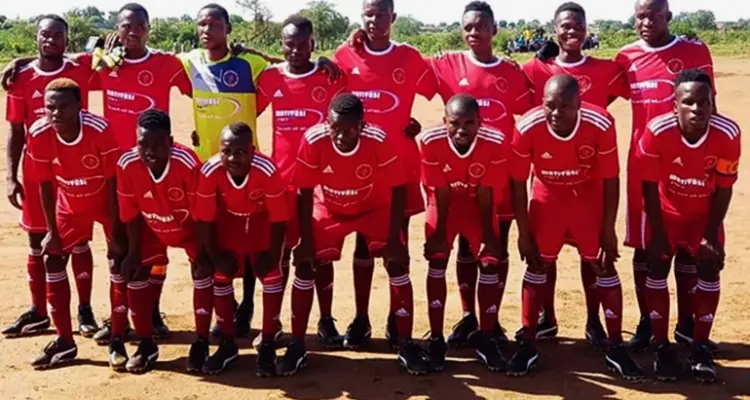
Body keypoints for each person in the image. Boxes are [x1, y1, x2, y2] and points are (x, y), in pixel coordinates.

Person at [506, 75, 643, 381]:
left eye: (565, 106)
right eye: (549, 105)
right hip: (548, 197)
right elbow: (517, 182)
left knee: (602, 265)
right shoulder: (527, 126)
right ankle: (528, 343)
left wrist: (608, 231)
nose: (556, 113)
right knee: (537, 265)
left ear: (579, 104)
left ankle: (615, 345)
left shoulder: (601, 123)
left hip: (587, 196)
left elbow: (611, 179)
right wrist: (524, 233)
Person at [279, 93, 424, 375]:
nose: (341, 136)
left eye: (349, 129)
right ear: (327, 122)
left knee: (397, 263)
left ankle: (406, 343)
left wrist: (394, 239)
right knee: (305, 264)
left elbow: (398, 188)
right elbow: (304, 192)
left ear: (362, 125)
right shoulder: (314, 139)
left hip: (373, 207)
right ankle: (297, 344)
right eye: (335, 128)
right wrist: (306, 242)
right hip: (330, 208)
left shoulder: (378, 139)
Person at [519, 1, 630, 350]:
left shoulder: (605, 69)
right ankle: (546, 317)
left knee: (591, 255)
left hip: (589, 177)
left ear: (586, 28)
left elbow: (641, 88)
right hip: (549, 175)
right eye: (565, 26)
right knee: (544, 254)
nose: (572, 31)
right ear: (555, 29)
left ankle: (594, 321)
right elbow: (503, 92)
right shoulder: (535, 69)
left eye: (578, 25)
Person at [426, 1, 533, 347]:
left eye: (482, 26)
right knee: (464, 247)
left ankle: (492, 318)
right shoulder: (446, 64)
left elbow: (531, 108)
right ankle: (468, 315)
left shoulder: (511, 72)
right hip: (459, 177)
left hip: (499, 175)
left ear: (494, 29)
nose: (475, 32)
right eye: (469, 27)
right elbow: (402, 69)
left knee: (496, 245)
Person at [615, 0, 718, 353]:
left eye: (653, 15)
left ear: (668, 17)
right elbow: (589, 87)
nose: (646, 22)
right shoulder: (625, 57)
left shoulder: (695, 51)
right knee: (644, 247)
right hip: (643, 167)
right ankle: (648, 320)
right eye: (640, 16)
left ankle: (687, 324)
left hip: (689, 165)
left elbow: (711, 106)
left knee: (689, 247)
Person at [335, 0, 436, 350]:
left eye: (380, 13)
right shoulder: (345, 55)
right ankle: (361, 319)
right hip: (358, 170)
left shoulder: (409, 57)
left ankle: (397, 317)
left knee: (397, 242)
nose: (374, 20)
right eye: (368, 13)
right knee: (362, 243)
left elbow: (442, 88)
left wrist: (412, 123)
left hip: (400, 166)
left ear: (393, 17)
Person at [637, 69, 740, 383]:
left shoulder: (728, 134)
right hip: (666, 214)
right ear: (675, 105)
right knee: (657, 266)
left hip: (704, 218)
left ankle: (699, 347)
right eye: (689, 102)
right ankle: (661, 347)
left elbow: (724, 188)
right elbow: (648, 185)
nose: (697, 109)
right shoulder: (657, 131)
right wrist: (657, 235)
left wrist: (710, 236)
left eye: (704, 102)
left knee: (709, 267)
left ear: (712, 104)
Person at [2, 15, 101, 339]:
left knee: (79, 240)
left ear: (66, 40)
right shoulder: (21, 78)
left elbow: (114, 57)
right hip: (36, 169)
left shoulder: (79, 71)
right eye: (45, 34)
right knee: (37, 240)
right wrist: (10, 176)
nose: (51, 40)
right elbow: (16, 130)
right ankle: (39, 310)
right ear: (36, 37)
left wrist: (20, 58)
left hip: (75, 169)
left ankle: (85, 309)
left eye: (58, 35)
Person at [255, 15, 348, 349]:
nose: (295, 51)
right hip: (281, 183)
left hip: (320, 186)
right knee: (279, 254)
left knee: (319, 255)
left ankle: (326, 320)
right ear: (281, 45)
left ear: (313, 45)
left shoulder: (329, 76)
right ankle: (273, 321)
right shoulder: (270, 78)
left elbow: (354, 109)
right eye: (288, 44)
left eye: (302, 45)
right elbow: (244, 110)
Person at [25, 78, 122, 369]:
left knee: (118, 260)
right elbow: (45, 184)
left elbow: (113, 181)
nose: (55, 113)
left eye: (63, 107)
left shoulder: (98, 129)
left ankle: (117, 337)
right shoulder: (39, 132)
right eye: (49, 107)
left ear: (79, 105)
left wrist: (116, 232)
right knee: (53, 259)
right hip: (70, 204)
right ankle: (65, 341)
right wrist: (51, 232)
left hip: (105, 202)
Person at [116, 109, 218, 374]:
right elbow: (130, 214)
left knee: (203, 272)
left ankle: (201, 341)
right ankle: (146, 344)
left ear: (170, 142)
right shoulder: (127, 164)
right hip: (151, 226)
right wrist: (133, 253)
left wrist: (203, 252)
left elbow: (202, 214)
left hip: (190, 228)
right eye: (143, 144)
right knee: (136, 271)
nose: (150, 151)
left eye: (157, 144)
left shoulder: (186, 163)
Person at [418, 94, 509, 372]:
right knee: (437, 259)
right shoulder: (430, 141)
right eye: (455, 123)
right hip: (444, 203)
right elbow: (440, 191)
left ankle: (486, 337)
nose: (461, 130)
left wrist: (489, 238)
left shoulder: (495, 142)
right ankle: (436, 339)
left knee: (489, 261)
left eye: (469, 123)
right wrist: (438, 235)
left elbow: (486, 193)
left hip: (477, 205)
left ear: (480, 122)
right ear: (444, 121)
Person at [194, 123, 288, 376]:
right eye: (226, 151)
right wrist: (215, 255)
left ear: (252, 150)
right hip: (230, 221)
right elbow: (204, 219)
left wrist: (272, 254)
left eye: (240, 152)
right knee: (221, 274)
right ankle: (227, 343)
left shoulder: (266, 169)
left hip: (261, 221)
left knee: (272, 275)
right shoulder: (210, 170)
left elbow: (279, 219)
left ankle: (267, 342)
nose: (233, 158)